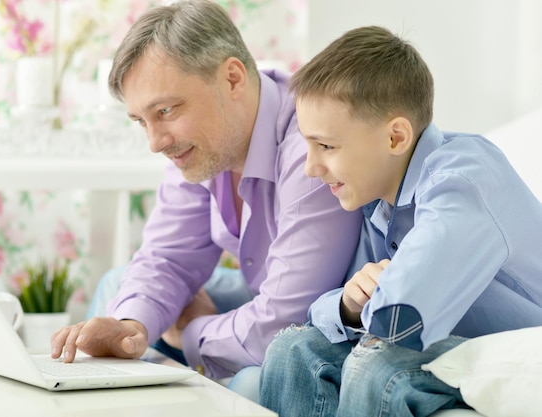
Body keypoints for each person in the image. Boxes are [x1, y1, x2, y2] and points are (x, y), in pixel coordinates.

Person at [50, 0, 362, 400]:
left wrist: (192, 333)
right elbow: (167, 257)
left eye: (165, 110)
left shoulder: (311, 145)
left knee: (252, 378)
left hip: (322, 326)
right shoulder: (204, 145)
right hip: (267, 297)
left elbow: (285, 322)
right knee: (122, 293)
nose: (155, 142)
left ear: (232, 79)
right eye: (142, 121)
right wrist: (131, 328)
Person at [259, 25, 542, 417]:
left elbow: (400, 316)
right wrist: (348, 305)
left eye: (326, 146)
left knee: (377, 367)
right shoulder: (377, 203)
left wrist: (372, 304)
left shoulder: (462, 178)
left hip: (521, 346)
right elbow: (333, 313)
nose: (310, 167)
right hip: (450, 342)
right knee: (293, 350)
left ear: (395, 138)